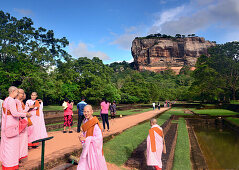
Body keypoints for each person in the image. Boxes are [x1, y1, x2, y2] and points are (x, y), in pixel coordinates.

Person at [0, 86, 31, 169]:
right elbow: (15, 113)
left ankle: (5, 164)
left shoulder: (5, 100)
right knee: (12, 147)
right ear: (13, 91)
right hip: (12, 126)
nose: (17, 94)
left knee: (6, 146)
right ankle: (10, 165)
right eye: (17, 92)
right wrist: (26, 114)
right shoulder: (11, 101)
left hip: (5, 126)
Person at [77, 105, 107, 170]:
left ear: (92, 112)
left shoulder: (95, 123)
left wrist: (86, 139)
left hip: (93, 150)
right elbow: (85, 132)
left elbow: (99, 138)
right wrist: (82, 136)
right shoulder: (85, 121)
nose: (86, 113)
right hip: (87, 147)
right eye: (84, 111)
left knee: (94, 165)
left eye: (88, 111)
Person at [15, 89, 34, 163]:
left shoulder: (21, 102)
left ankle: (21, 157)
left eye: (23, 94)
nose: (23, 95)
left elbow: (22, 111)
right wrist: (26, 112)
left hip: (23, 123)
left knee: (23, 141)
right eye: (21, 93)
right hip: (18, 124)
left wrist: (28, 109)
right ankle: (18, 158)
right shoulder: (15, 102)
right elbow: (17, 113)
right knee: (19, 141)